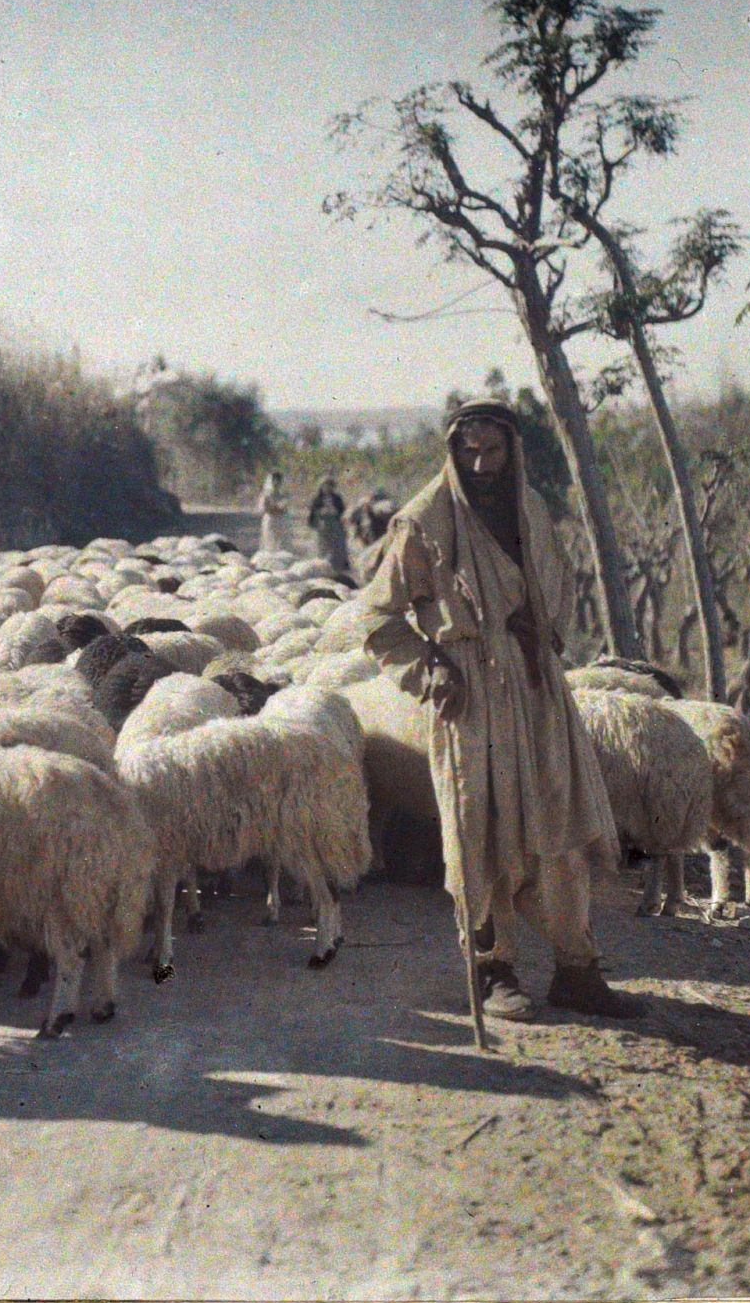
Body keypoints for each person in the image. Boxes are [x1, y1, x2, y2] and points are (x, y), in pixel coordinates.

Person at [360, 401, 644, 1022]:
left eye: (493, 451)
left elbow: (559, 582)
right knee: (480, 830)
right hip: (471, 695)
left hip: (538, 685)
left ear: (513, 449)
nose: (481, 465)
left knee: (561, 823)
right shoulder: (422, 521)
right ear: (453, 451)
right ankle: (494, 968)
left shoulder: (532, 510)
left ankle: (577, 968)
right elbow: (378, 622)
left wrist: (541, 627)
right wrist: (431, 668)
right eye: (469, 452)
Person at [308, 474, 351, 574]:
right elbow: (312, 516)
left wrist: (335, 512)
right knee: (322, 550)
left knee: (336, 550)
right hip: (322, 528)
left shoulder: (337, 498)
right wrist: (320, 513)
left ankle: (338, 570)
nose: (327, 488)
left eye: (329, 485)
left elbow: (342, 512)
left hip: (335, 527)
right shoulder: (317, 499)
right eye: (325, 485)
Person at [256, 470, 290, 555]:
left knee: (281, 541)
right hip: (270, 520)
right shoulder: (266, 494)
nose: (276, 482)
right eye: (274, 480)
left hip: (281, 520)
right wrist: (272, 508)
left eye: (278, 480)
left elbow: (285, 507)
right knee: (269, 540)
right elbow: (263, 508)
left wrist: (278, 508)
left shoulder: (284, 494)